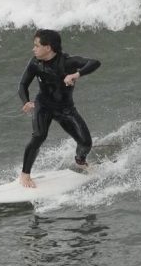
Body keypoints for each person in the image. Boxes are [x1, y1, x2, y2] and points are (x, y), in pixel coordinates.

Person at [17, 29, 101, 188]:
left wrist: (75, 75)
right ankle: (25, 174)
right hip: (44, 105)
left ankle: (80, 161)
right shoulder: (35, 62)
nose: (33, 49)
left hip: (65, 109)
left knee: (86, 143)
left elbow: (95, 62)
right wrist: (26, 101)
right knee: (39, 135)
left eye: (36, 45)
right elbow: (22, 85)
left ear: (48, 47)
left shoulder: (67, 61)